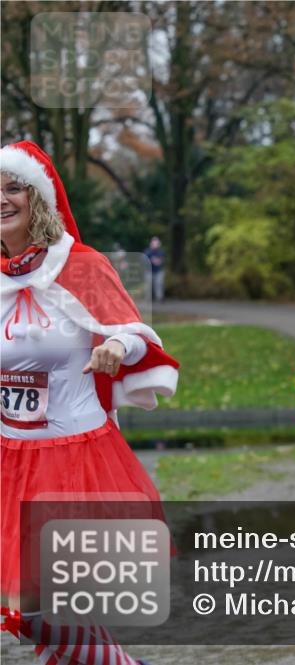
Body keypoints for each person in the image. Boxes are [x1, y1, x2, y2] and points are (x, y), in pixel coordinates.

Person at [1, 141, 179, 664]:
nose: (2, 200)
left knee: (48, 609)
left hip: (73, 458)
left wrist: (116, 346)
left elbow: (139, 335)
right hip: (10, 460)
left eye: (13, 188)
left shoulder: (79, 266)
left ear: (38, 198)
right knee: (34, 611)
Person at [144, 235, 165, 302]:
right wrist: (152, 260)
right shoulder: (147, 251)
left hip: (158, 271)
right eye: (154, 242)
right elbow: (145, 259)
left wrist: (158, 261)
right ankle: (148, 298)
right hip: (149, 271)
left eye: (157, 242)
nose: (155, 244)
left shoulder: (160, 251)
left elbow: (161, 260)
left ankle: (159, 298)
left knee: (159, 284)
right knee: (149, 284)